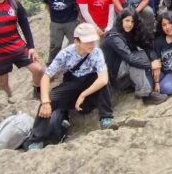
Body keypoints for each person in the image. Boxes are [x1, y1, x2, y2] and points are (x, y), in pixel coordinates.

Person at [30, 22, 116, 150]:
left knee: (100, 82)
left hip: (91, 82)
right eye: (87, 42)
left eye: (93, 41)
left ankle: (106, 118)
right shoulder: (66, 54)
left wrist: (83, 94)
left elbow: (103, 79)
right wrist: (45, 101)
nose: (91, 44)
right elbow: (46, 76)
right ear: (76, 41)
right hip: (73, 81)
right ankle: (36, 139)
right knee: (50, 100)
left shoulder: (96, 52)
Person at [101, 8, 168, 104]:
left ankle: (143, 81)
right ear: (121, 20)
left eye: (132, 21)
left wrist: (154, 60)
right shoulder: (114, 37)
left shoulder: (129, 32)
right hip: (116, 78)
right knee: (135, 60)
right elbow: (130, 58)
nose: (130, 24)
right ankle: (145, 94)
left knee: (141, 54)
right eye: (127, 21)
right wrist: (150, 65)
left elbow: (146, 45)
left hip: (123, 72)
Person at [43, 0, 79, 65]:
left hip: (71, 22)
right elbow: (48, 7)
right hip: (56, 23)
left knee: (75, 43)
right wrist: (53, 17)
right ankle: (51, 66)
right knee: (55, 46)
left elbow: (77, 6)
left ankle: (74, 62)